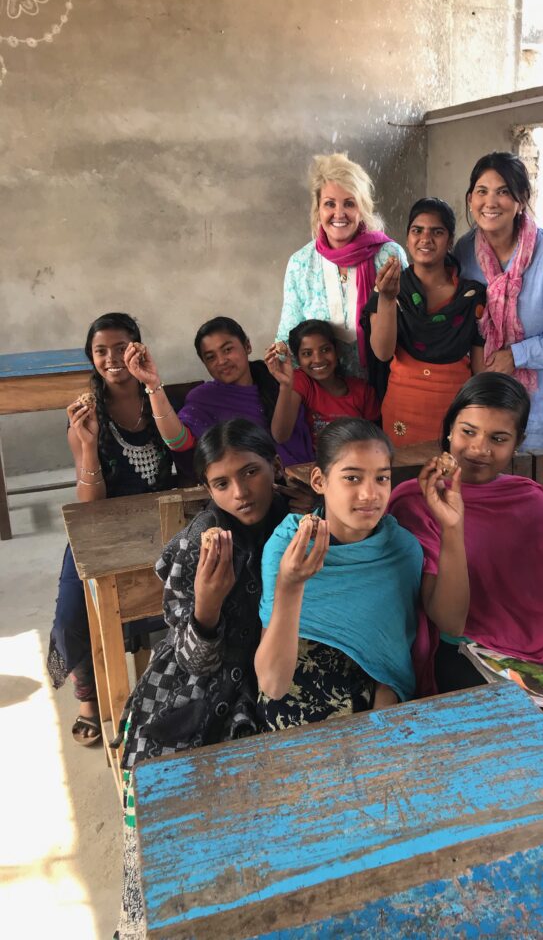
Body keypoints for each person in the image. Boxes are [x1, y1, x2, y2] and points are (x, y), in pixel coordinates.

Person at [388, 373, 543, 803]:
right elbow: (449, 618)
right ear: (448, 430)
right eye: (468, 432)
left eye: (498, 438)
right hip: (467, 651)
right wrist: (453, 526)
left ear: (516, 444)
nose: (480, 448)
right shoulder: (415, 500)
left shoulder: (530, 498)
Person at [114, 419, 290, 939]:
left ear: (274, 468)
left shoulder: (298, 523)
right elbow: (190, 660)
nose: (240, 492)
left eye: (251, 472)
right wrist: (207, 606)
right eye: (221, 483)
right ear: (207, 489)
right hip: (193, 686)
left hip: (267, 681)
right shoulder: (197, 546)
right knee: (168, 807)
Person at [254, 417, 468, 729]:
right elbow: (272, 686)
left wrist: (452, 529)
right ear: (319, 481)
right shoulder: (288, 547)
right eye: (352, 478)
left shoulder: (401, 549)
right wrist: (290, 586)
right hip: (293, 709)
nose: (370, 494)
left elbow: (448, 625)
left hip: (374, 707)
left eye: (382, 479)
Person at [46, 313, 173, 746]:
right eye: (101, 351)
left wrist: (153, 385)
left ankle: (173, 681)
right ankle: (89, 696)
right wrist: (86, 446)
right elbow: (91, 506)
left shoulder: (157, 397)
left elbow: (179, 445)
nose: (112, 358)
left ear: (138, 348)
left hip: (160, 522)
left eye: (121, 347)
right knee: (71, 616)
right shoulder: (85, 415)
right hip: (104, 529)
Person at [454, 152, 543, 451]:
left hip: (539, 403)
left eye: (503, 192)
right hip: (482, 398)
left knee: (531, 485)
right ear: (470, 199)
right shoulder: (464, 252)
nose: (490, 202)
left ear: (521, 199)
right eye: (482, 191)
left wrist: (517, 355)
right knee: (483, 486)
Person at [363, 197, 486, 447]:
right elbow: (382, 352)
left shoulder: (471, 295)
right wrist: (387, 297)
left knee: (451, 482)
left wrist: (482, 412)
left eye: (437, 232)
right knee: (404, 482)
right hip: (402, 410)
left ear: (450, 240)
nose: (425, 239)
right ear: (407, 238)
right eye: (417, 230)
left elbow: (479, 366)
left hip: (457, 411)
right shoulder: (390, 285)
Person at [123, 316, 314, 475]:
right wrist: (153, 384)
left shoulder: (276, 379)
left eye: (228, 349)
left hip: (303, 481)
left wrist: (285, 386)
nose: (221, 361)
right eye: (211, 357)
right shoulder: (204, 399)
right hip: (253, 494)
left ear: (247, 346)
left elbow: (285, 436)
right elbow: (178, 442)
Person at [276, 152, 407, 379]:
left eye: (349, 203)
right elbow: (289, 332)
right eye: (329, 204)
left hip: (382, 380)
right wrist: (278, 356)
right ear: (318, 209)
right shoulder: (301, 263)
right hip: (323, 390)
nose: (339, 214)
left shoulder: (388, 255)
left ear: (362, 208)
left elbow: (407, 322)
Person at [264, 318, 380, 448]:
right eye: (307, 353)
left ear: (337, 351)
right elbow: (280, 436)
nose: (318, 359)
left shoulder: (362, 390)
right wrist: (285, 385)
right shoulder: (302, 381)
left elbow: (374, 441)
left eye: (325, 350)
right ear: (298, 359)